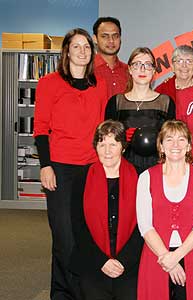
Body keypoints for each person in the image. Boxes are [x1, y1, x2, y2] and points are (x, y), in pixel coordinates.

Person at [33, 28, 108, 299]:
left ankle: (83, 289)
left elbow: (102, 128)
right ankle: (64, 293)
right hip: (60, 169)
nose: (82, 51)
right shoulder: (49, 83)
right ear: (66, 51)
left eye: (86, 46)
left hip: (91, 168)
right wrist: (45, 165)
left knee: (85, 233)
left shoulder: (98, 84)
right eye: (76, 46)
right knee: (64, 236)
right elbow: (40, 128)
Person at [136, 120, 193, 300]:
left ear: (189, 146)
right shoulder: (146, 177)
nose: (175, 145)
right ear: (161, 146)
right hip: (156, 255)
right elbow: (145, 225)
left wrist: (176, 256)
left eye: (181, 139)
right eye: (169, 139)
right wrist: (167, 259)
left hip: (190, 253)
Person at [70, 120, 143, 300]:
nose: (107, 151)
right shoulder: (83, 177)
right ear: (96, 147)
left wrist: (123, 261)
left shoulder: (140, 176)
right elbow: (78, 225)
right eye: (102, 144)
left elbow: (144, 225)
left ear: (123, 147)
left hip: (129, 261)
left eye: (113, 144)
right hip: (93, 259)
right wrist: (102, 261)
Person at [105, 47, 175, 174]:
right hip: (123, 169)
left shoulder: (166, 102)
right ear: (130, 69)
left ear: (154, 70)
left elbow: (171, 140)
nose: (142, 69)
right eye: (137, 64)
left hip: (157, 169)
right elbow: (106, 141)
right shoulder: (116, 102)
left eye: (147, 65)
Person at [93, 16, 129, 98]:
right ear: (95, 39)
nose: (111, 41)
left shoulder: (129, 72)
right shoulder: (86, 70)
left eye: (115, 36)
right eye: (105, 36)